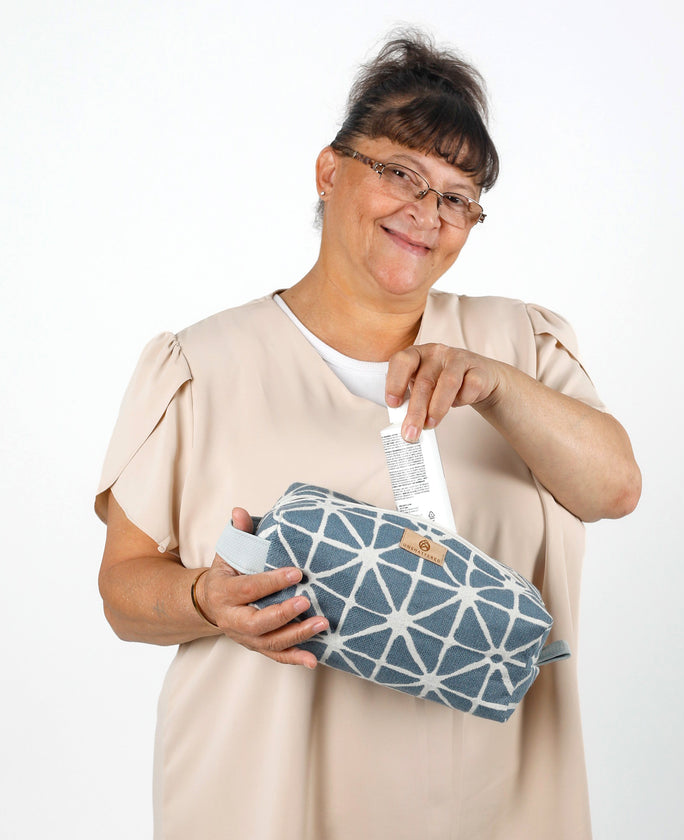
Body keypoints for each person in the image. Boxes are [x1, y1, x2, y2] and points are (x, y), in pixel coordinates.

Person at [96, 30, 640, 840]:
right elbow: (123, 590)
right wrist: (205, 598)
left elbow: (615, 489)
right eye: (401, 174)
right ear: (329, 170)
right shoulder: (203, 366)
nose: (427, 213)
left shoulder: (520, 346)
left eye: (458, 197)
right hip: (266, 802)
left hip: (489, 806)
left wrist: (495, 386)